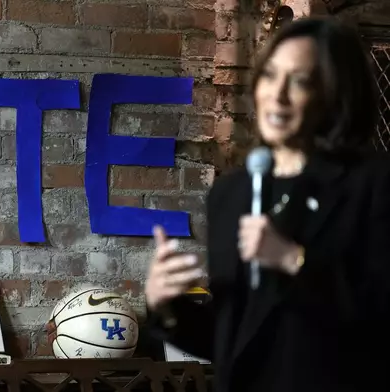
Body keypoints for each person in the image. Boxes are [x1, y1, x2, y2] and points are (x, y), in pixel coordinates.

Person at [145, 16, 390, 392]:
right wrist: (166, 306)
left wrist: (294, 261)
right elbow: (235, 337)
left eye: (301, 81)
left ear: (337, 95)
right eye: (271, 76)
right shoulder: (232, 194)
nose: (278, 95)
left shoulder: (373, 185)